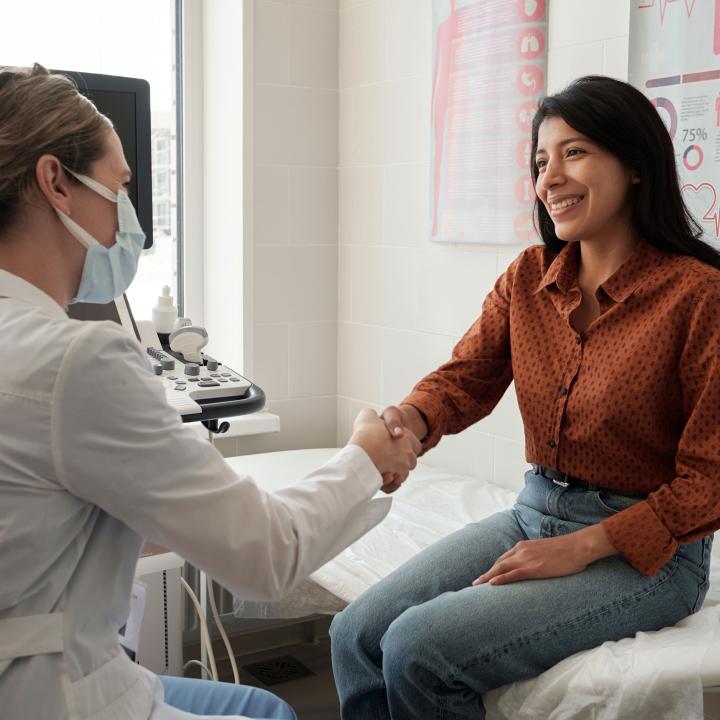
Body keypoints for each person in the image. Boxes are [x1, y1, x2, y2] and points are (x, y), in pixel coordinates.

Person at [0, 64, 421, 720]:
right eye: (120, 190)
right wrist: (366, 455)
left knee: (253, 706)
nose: (128, 222)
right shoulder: (76, 360)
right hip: (54, 693)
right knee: (273, 713)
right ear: (56, 183)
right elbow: (266, 555)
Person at [330, 75, 720, 719]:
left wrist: (582, 546)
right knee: (357, 636)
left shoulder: (698, 296)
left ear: (636, 165)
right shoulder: (528, 278)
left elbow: (709, 480)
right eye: (541, 161)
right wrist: (410, 421)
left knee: (417, 649)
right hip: (534, 510)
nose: (550, 178)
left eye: (574, 152)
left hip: (650, 556)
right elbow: (465, 379)